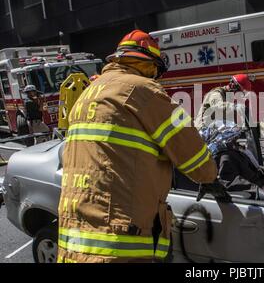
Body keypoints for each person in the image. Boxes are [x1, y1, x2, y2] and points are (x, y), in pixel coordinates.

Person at [57, 30, 218, 263]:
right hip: (120, 246)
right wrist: (213, 173)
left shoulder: (87, 95)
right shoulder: (145, 91)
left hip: (73, 246)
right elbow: (198, 163)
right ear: (151, 64)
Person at [201, 123, 264, 204]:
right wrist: (263, 191)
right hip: (257, 189)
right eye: (234, 138)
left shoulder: (236, 151)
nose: (237, 139)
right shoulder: (226, 158)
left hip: (261, 182)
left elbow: (258, 169)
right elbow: (232, 184)